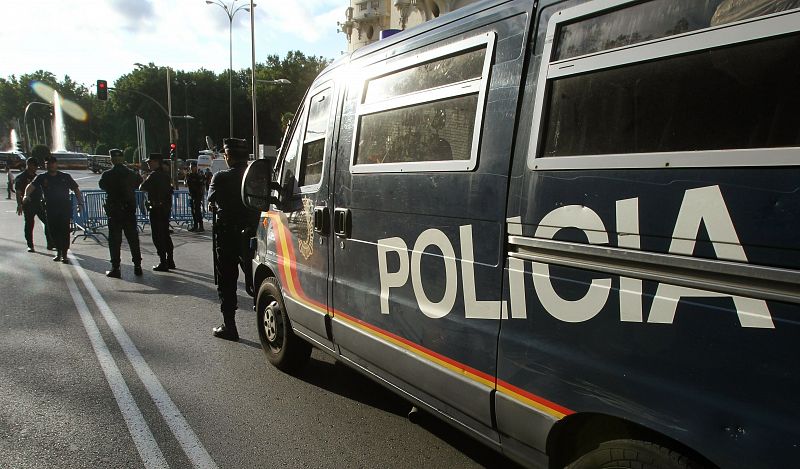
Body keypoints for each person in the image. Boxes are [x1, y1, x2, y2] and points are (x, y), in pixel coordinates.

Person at [208, 138, 260, 341]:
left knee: (227, 280)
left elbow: (212, 200)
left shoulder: (221, 177)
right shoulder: (256, 176)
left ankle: (230, 326)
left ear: (228, 156)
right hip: (253, 234)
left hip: (228, 236)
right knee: (257, 277)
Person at [24, 155, 83, 263]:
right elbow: (30, 186)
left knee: (64, 231)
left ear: (56, 164)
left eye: (52, 163)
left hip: (64, 208)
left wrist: (80, 203)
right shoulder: (42, 177)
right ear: (45, 165)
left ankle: (64, 254)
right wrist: (25, 195)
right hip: (50, 209)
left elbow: (76, 189)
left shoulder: (65, 176)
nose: (50, 165)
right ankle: (59, 252)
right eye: (48, 164)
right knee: (53, 231)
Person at [99, 148, 143, 278]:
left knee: (115, 241)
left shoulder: (107, 174)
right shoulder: (132, 174)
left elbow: (102, 186)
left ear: (112, 159)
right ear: (123, 159)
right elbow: (138, 183)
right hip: (129, 210)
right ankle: (137, 266)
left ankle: (116, 268)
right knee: (133, 239)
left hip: (115, 211)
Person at [139, 153, 174, 271]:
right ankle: (170, 260)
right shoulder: (166, 175)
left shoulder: (154, 175)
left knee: (158, 236)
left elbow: (142, 187)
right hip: (165, 209)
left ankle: (163, 262)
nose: (148, 164)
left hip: (156, 209)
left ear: (156, 162)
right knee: (166, 235)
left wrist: (144, 179)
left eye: (150, 162)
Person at [15, 158, 54, 252]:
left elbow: (43, 188)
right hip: (28, 204)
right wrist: (19, 204)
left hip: (39, 203)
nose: (36, 168)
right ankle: (30, 245)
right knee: (29, 224)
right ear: (28, 165)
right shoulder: (21, 177)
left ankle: (50, 244)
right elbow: (18, 191)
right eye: (34, 165)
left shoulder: (37, 177)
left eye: (36, 166)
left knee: (47, 222)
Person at [185, 162, 206, 232]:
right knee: (193, 211)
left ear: (196, 167)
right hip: (192, 195)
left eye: (193, 167)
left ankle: (201, 226)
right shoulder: (189, 175)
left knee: (197, 211)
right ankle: (195, 226)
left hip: (197, 195)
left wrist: (201, 195)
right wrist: (186, 179)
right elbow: (186, 184)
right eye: (191, 167)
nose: (192, 168)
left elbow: (202, 185)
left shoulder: (199, 175)